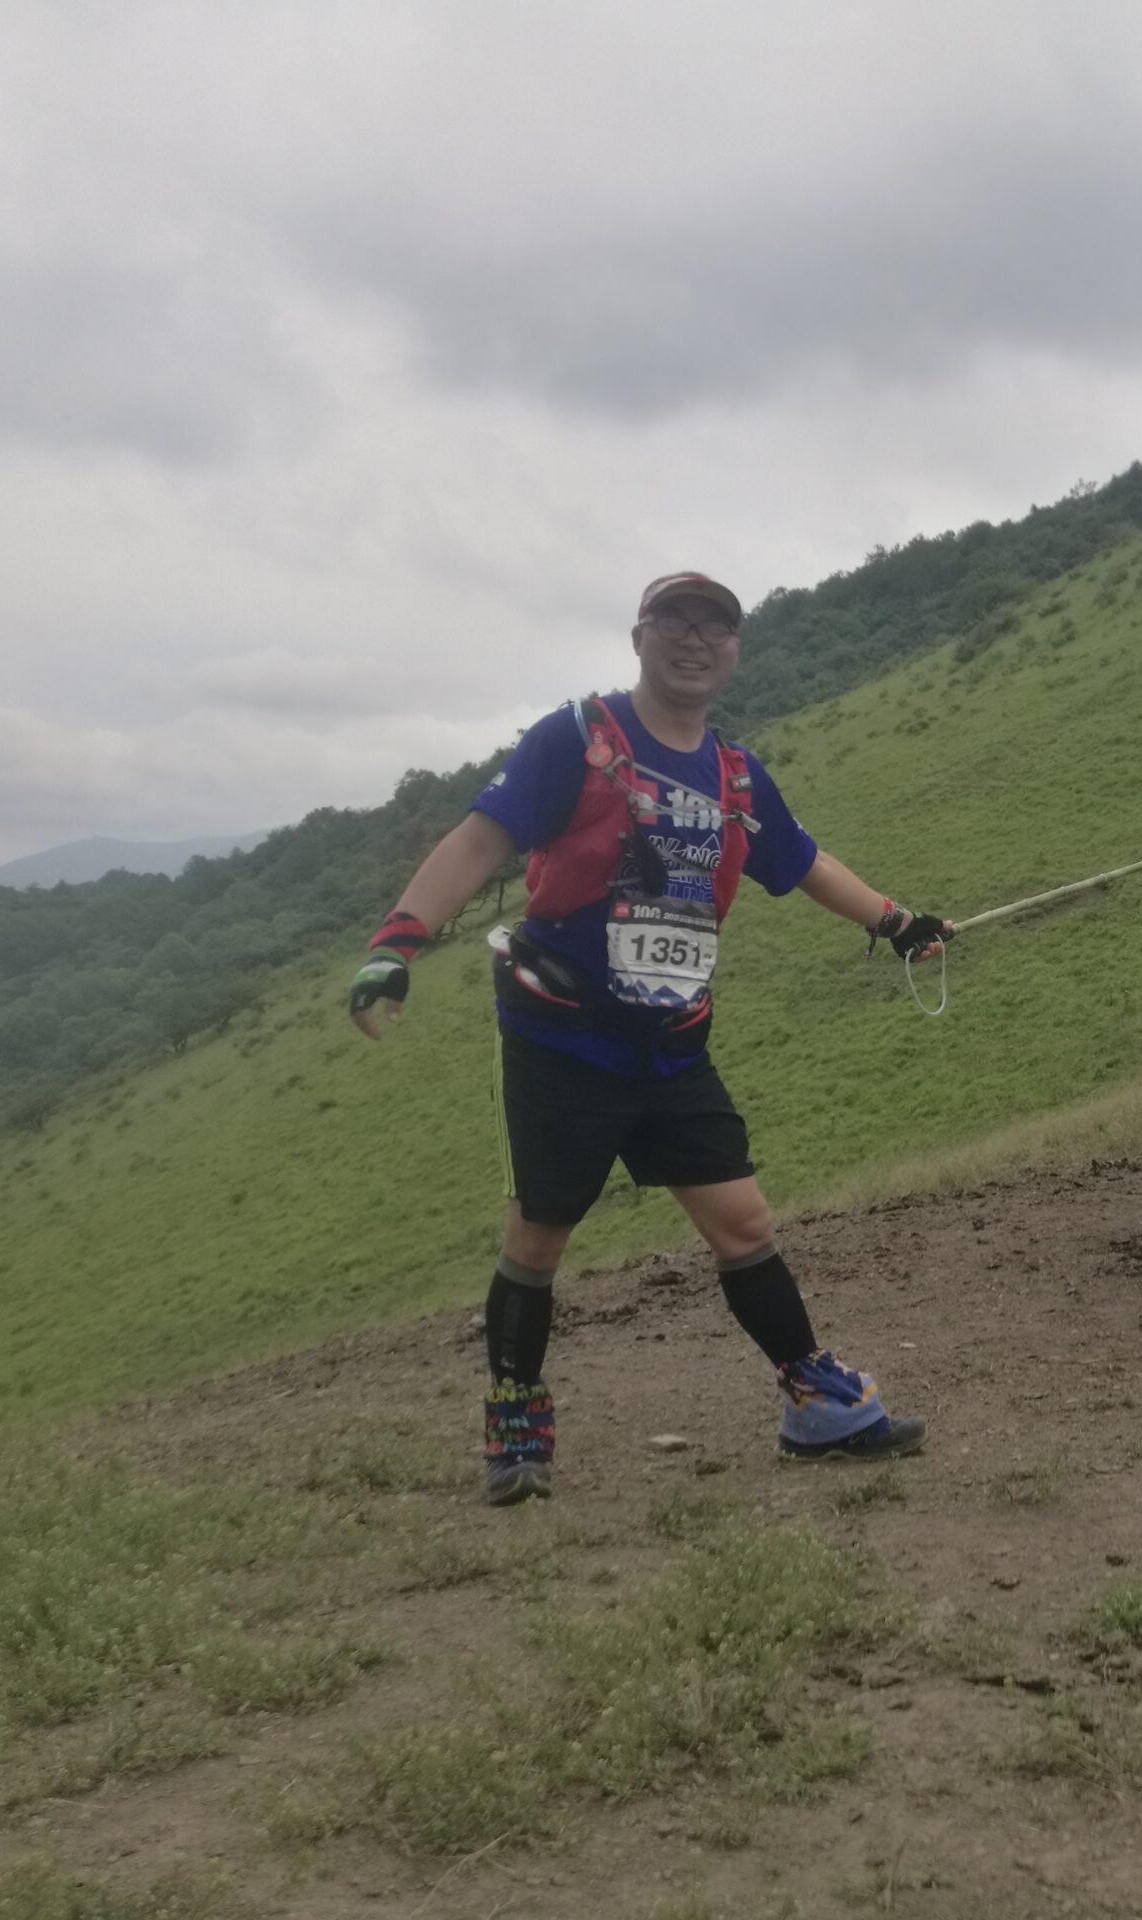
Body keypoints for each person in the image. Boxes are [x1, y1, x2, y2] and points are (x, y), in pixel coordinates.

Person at [348, 571, 953, 1504]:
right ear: (640, 637)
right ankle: (516, 1420)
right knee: (540, 1235)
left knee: (743, 1222)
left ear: (735, 651)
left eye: (715, 626)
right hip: (562, 1041)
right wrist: (397, 941)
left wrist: (896, 922)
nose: (694, 639)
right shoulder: (578, 738)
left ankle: (812, 1402)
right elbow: (480, 840)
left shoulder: (737, 775)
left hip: (672, 1045)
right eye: (675, 621)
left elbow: (802, 862)